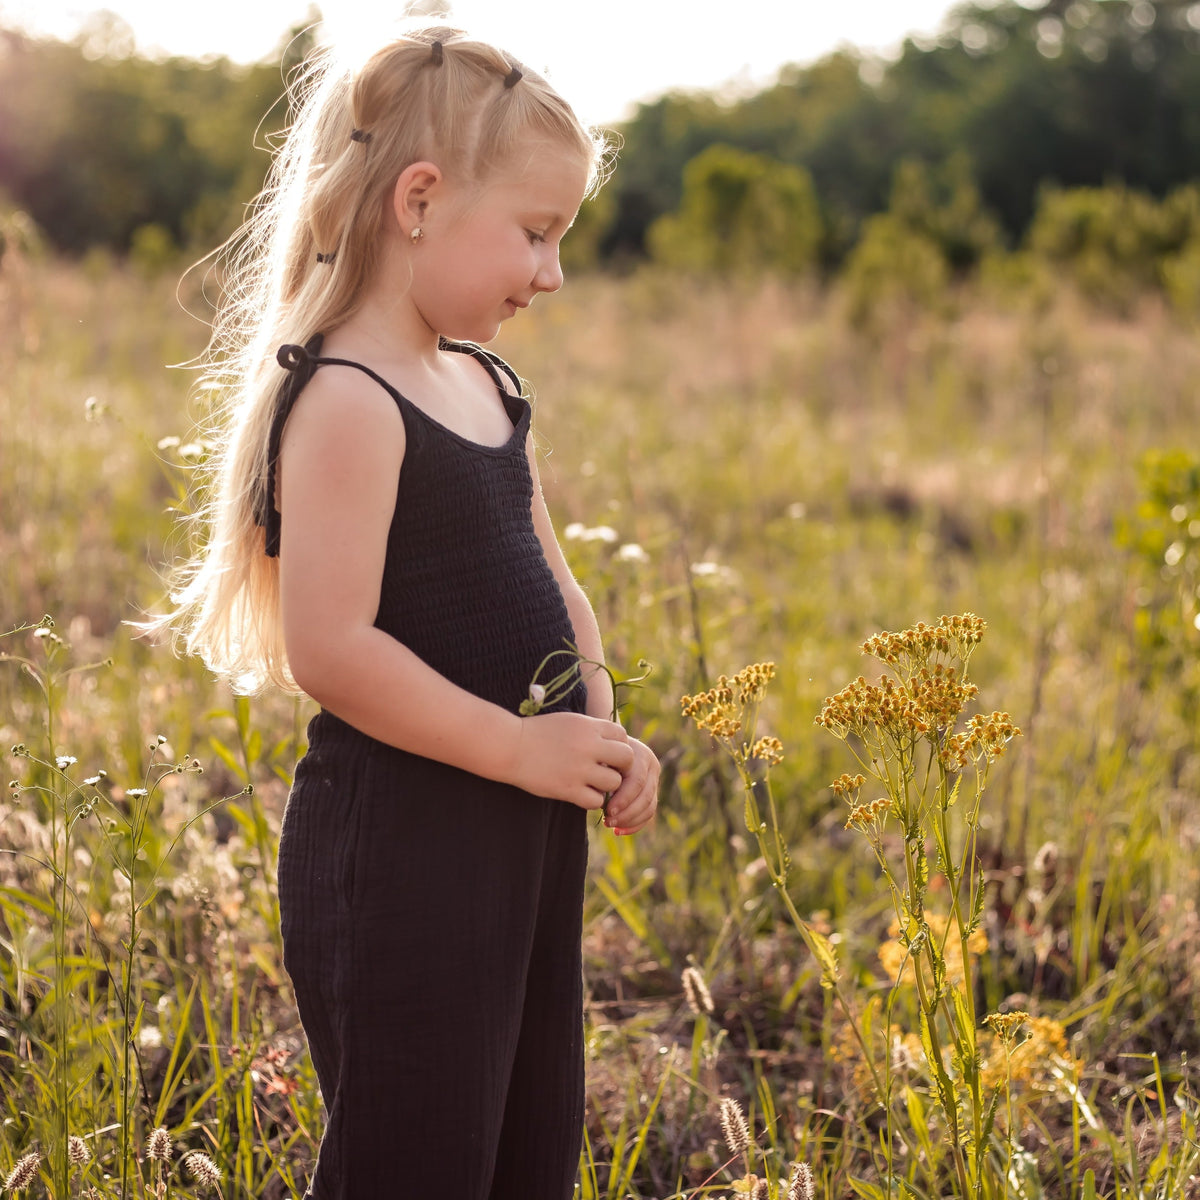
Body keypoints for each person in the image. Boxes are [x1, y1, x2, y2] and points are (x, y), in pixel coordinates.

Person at [157, 24, 660, 1200]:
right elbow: (330, 648)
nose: (552, 274)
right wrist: (521, 749)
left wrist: (601, 722)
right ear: (420, 201)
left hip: (523, 826)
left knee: (527, 1146)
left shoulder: (484, 384)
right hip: (404, 849)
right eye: (536, 234)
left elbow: (555, 581)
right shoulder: (346, 397)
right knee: (420, 1154)